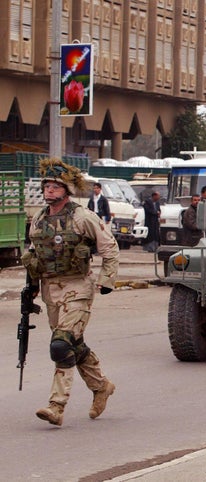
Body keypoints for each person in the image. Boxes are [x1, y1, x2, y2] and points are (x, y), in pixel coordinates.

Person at [21, 158, 119, 427]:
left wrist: (106, 279)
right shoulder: (39, 219)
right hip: (50, 289)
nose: (49, 191)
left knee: (61, 344)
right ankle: (101, 386)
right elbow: (33, 254)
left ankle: (57, 406)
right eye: (47, 186)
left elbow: (110, 247)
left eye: (55, 186)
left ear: (67, 190)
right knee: (72, 344)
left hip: (78, 287)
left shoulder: (82, 217)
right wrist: (29, 290)